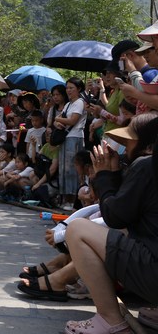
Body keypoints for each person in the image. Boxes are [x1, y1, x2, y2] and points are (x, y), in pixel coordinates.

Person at [56, 114, 158, 334]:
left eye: (128, 142)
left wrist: (103, 176)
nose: (124, 148)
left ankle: (111, 321)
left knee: (77, 230)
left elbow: (115, 216)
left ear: (148, 146)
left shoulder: (146, 165)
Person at [53, 77, 88, 210]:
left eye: (71, 88)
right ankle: (65, 198)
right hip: (65, 138)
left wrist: (58, 119)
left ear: (78, 89)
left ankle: (73, 199)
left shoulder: (80, 102)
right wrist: (58, 121)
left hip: (75, 137)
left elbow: (73, 120)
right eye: (67, 88)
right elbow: (58, 121)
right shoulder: (68, 104)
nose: (68, 90)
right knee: (63, 168)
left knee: (72, 168)